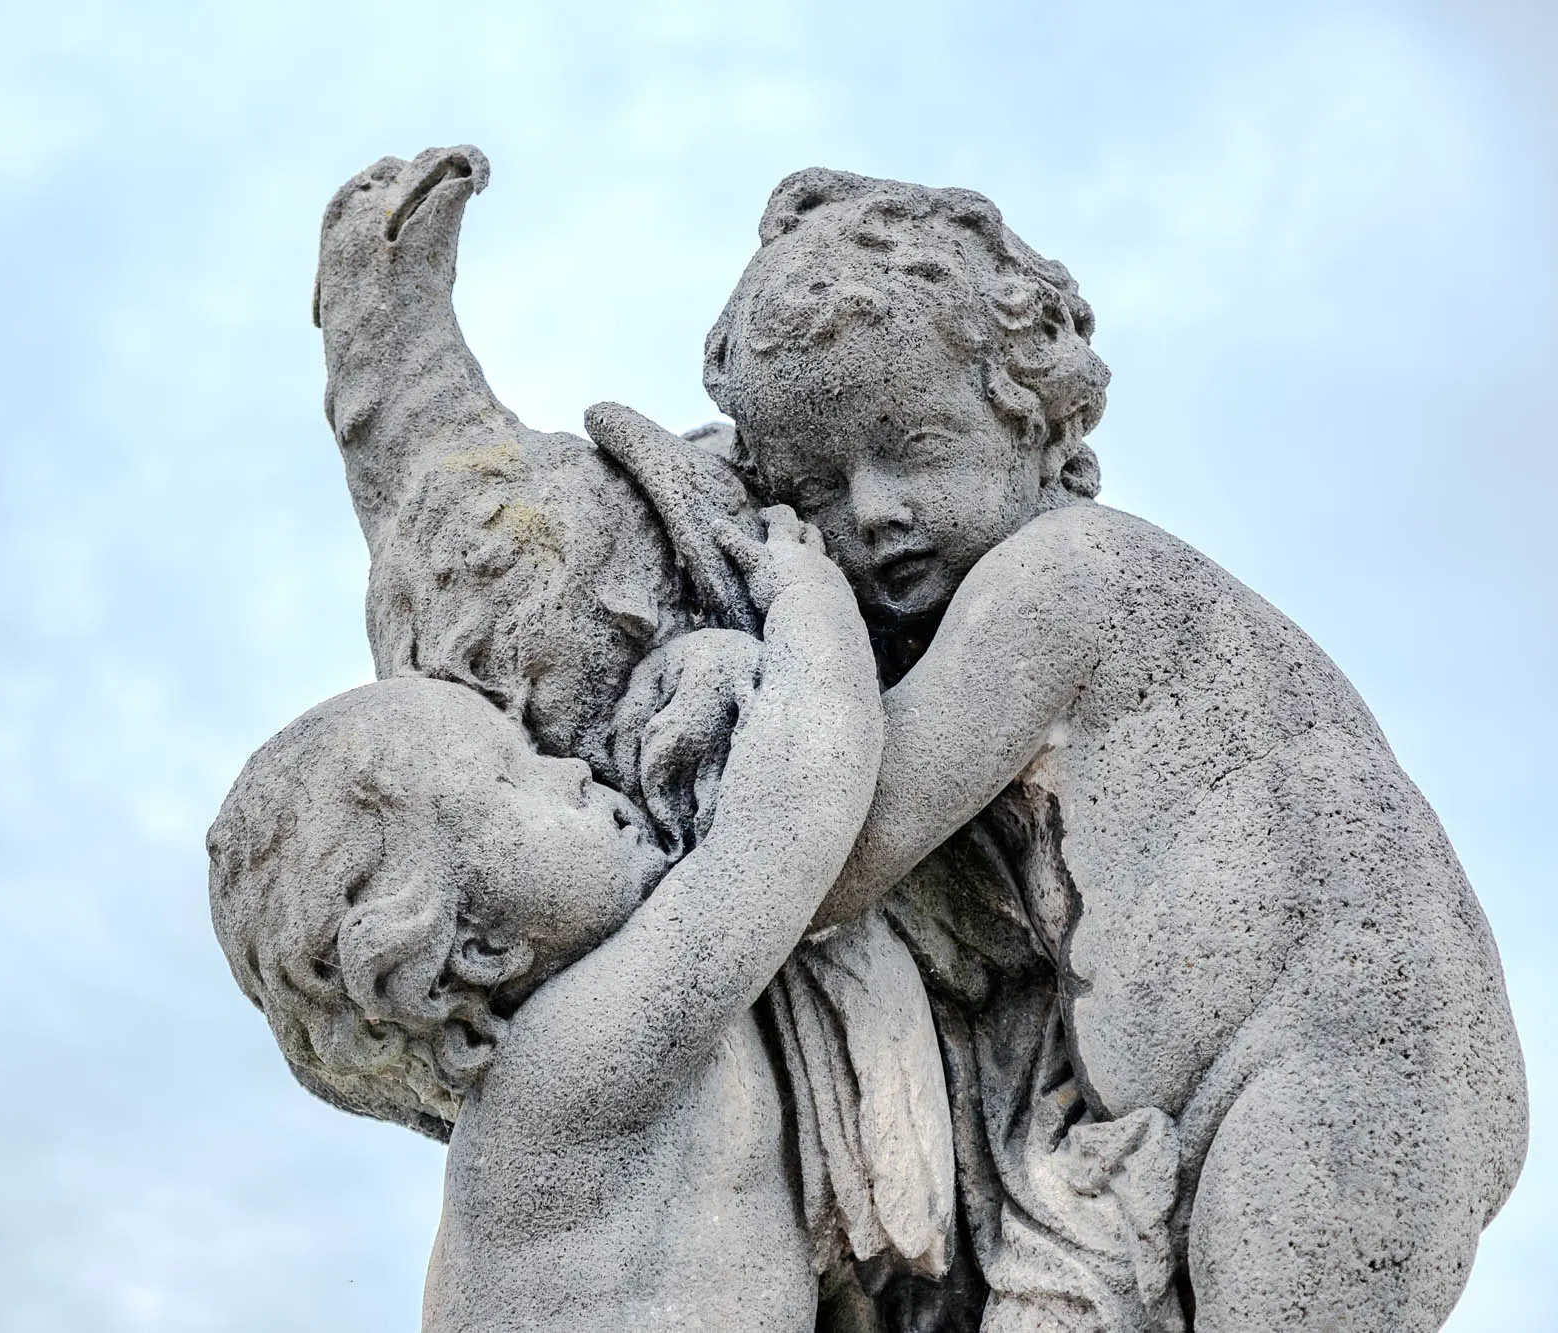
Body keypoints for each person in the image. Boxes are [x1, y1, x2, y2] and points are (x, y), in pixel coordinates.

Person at [590, 168, 1528, 1332]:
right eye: (813, 488)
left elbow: (834, 853)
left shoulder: (1062, 579)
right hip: (1241, 1106)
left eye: (911, 443)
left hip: (1339, 1081)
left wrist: (796, 597)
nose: (869, 510)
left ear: (1027, 414)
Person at [210, 506, 887, 1332]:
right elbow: (794, 815)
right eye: (513, 779)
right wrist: (812, 599)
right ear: (473, 944)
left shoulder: (567, 1076)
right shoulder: (569, 1057)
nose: (569, 771)